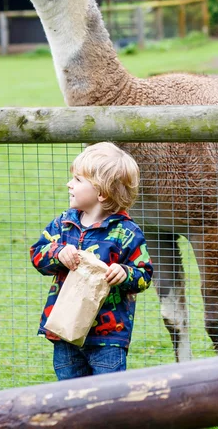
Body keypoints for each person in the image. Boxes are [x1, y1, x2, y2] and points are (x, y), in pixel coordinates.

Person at [30, 142, 154, 380]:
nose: (69, 184)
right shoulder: (63, 224)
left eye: (77, 180)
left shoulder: (127, 233)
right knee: (71, 395)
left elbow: (144, 275)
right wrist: (58, 253)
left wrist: (125, 273)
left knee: (107, 398)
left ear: (101, 192)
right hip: (65, 330)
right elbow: (37, 255)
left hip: (107, 338)